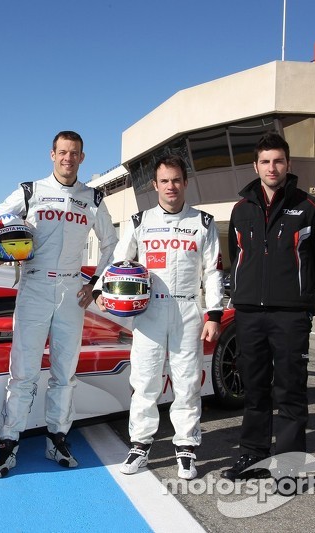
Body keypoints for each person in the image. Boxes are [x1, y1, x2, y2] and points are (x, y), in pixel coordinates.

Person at [0, 130, 118, 477]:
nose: (68, 159)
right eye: (62, 152)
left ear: (82, 158)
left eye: (74, 153)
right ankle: (9, 442)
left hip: (73, 291)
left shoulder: (94, 198)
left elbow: (111, 244)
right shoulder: (31, 191)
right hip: (35, 285)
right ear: (52, 154)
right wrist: (0, 249)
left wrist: (96, 285)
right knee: (23, 371)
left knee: (64, 373)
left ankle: (57, 437)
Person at [94, 154, 224, 480]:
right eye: (164, 181)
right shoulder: (140, 222)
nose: (171, 186)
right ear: (155, 185)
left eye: (176, 180)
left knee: (187, 383)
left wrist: (214, 315)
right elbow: (118, 260)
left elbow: (213, 273)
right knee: (145, 382)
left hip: (188, 310)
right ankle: (139, 445)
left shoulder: (204, 223)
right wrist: (101, 292)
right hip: (149, 311)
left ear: (185, 182)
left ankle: (186, 449)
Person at [222, 132, 315, 481]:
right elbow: (236, 257)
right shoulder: (241, 210)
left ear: (288, 164)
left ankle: (289, 468)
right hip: (249, 315)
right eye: (265, 161)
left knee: (290, 391)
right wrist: (242, 296)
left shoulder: (309, 208)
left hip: (290, 316)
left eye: (278, 161)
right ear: (255, 166)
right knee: (254, 389)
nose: (272, 167)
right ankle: (254, 457)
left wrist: (303, 301)